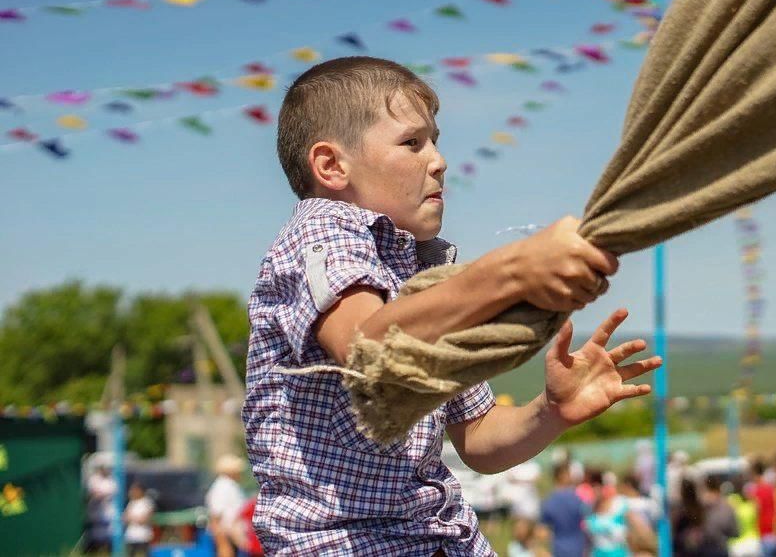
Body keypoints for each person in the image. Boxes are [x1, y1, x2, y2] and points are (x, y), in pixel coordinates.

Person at [243, 57, 663, 555]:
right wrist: (511, 272)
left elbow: (479, 441)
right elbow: (367, 347)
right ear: (332, 166)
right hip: (343, 544)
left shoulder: (420, 275)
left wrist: (552, 411)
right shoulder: (321, 231)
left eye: (436, 140)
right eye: (412, 142)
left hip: (443, 539)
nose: (438, 160)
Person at [541, 461, 591, 557]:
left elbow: (542, 531)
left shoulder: (548, 501)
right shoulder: (578, 498)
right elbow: (588, 521)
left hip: (558, 547)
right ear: (563, 476)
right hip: (578, 546)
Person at [206, 455, 248, 557]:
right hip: (226, 531)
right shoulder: (223, 486)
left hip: (231, 530)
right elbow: (216, 513)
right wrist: (220, 536)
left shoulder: (229, 485)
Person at [585, 481, 631, 557]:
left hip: (617, 552)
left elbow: (622, 535)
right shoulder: (592, 520)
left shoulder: (617, 515)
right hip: (600, 552)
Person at [747, 458, 776, 557]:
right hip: (774, 533)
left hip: (762, 535)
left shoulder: (755, 491)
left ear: (753, 473)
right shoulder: (772, 489)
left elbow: (754, 512)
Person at [123, 482, 155, 557]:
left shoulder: (147, 502)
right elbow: (125, 518)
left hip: (143, 535)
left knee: (145, 553)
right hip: (131, 535)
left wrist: (133, 518)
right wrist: (135, 518)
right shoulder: (131, 503)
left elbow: (145, 519)